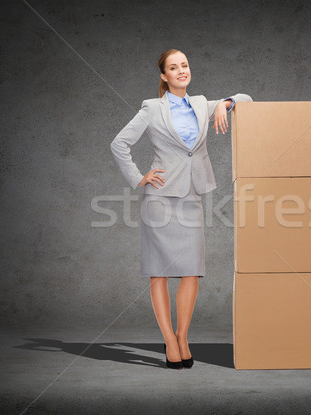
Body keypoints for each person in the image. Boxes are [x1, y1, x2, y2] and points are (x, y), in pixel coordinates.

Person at [110, 49, 253, 369]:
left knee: (192, 271)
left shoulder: (203, 104)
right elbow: (119, 144)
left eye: (184, 65)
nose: (181, 71)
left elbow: (247, 98)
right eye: (173, 68)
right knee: (158, 272)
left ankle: (182, 335)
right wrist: (138, 177)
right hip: (160, 197)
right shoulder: (152, 108)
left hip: (192, 197)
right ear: (164, 76)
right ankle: (169, 340)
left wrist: (226, 104)